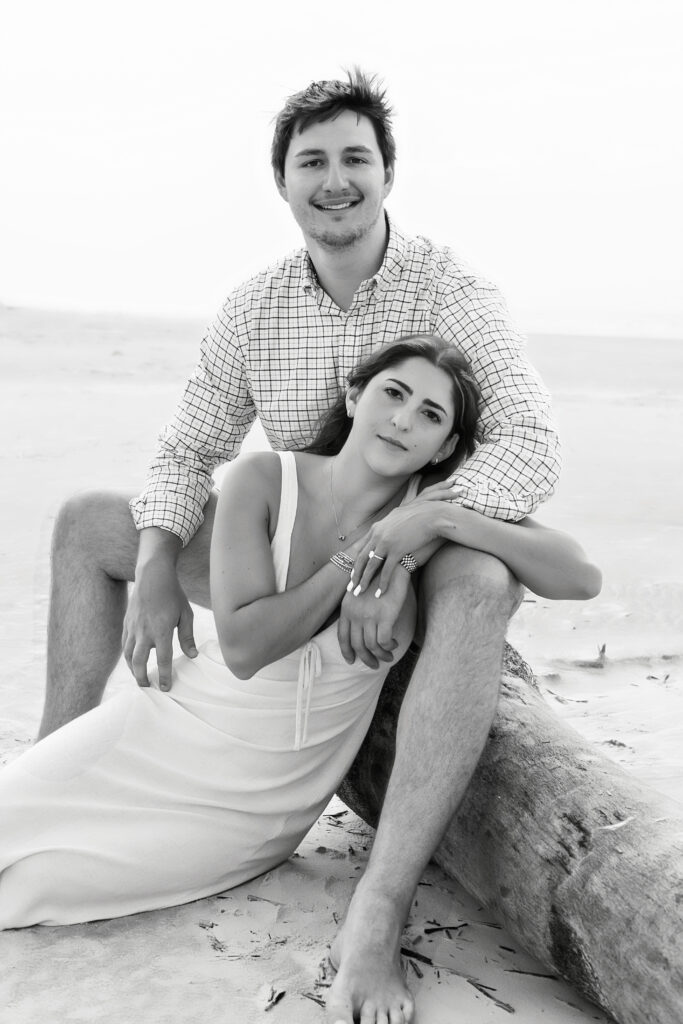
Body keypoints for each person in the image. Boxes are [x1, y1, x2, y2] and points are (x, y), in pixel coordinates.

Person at [35, 71, 564, 1022]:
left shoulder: (452, 288)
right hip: (297, 552)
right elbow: (189, 445)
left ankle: (378, 907)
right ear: (281, 182)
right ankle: (55, 764)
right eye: (310, 162)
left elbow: (530, 442)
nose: (334, 180)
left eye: (354, 158)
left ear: (387, 175)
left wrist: (398, 546)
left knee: (484, 580)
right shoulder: (254, 306)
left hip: (427, 541)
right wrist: (157, 560)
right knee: (88, 522)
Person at [1, 338, 599, 1024]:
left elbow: (579, 576)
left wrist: (432, 518)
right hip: (160, 736)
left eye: (431, 415)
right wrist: (361, 558)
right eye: (393, 394)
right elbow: (249, 644)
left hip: (253, 812)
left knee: (37, 886)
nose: (404, 419)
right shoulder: (265, 479)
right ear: (354, 397)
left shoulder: (432, 520)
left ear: (443, 447)